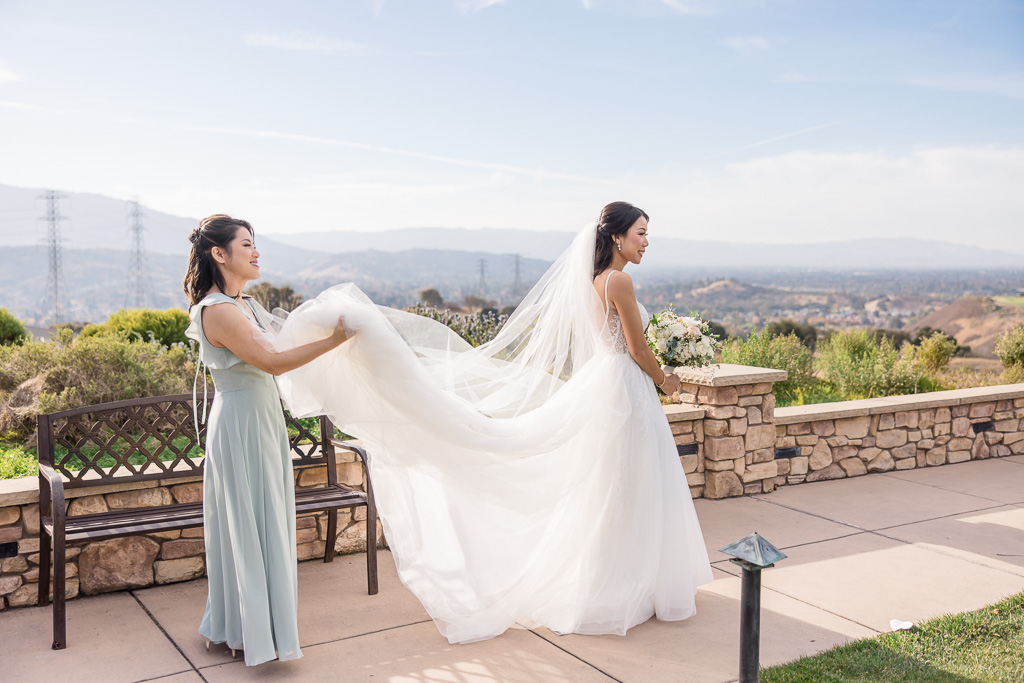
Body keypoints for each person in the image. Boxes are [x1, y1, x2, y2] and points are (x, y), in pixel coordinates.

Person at [271, 201, 713, 644]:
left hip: (605, 382)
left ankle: (614, 584)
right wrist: (666, 379)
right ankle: (634, 585)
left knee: (612, 486)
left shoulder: (595, 279)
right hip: (625, 387)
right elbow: (636, 348)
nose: (646, 242)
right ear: (617, 237)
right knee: (631, 485)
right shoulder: (619, 280)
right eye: (641, 233)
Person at [182, 214, 349, 666]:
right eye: (247, 245)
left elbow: (281, 345)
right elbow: (272, 363)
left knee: (260, 522)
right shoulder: (217, 310)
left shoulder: (247, 305)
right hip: (241, 426)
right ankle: (250, 632)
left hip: (260, 421)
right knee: (249, 525)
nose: (256, 253)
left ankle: (244, 627)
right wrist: (336, 340)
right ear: (219, 254)